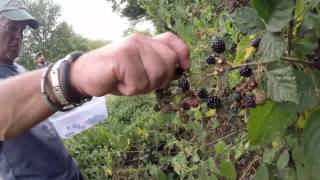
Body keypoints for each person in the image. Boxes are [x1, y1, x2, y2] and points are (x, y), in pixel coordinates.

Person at [0, 0, 190, 180]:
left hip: (68, 170)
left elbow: (40, 105)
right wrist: (73, 75)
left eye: (22, 30)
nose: (19, 35)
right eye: (12, 26)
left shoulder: (19, 69)